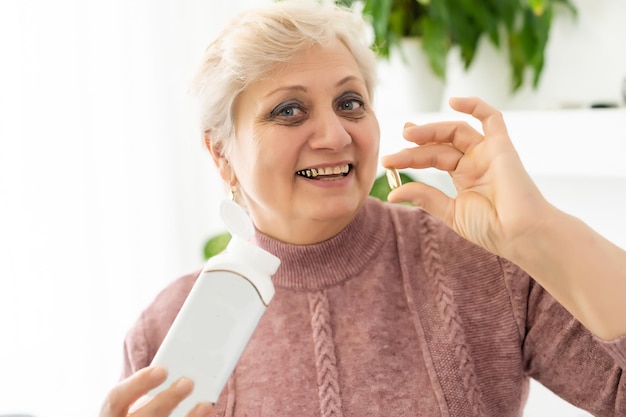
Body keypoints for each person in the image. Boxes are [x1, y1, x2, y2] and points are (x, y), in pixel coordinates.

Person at [99, 1, 626, 416]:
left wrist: (540, 230)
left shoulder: (483, 265)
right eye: (289, 110)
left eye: (350, 102)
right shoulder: (163, 331)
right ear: (221, 153)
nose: (334, 134)